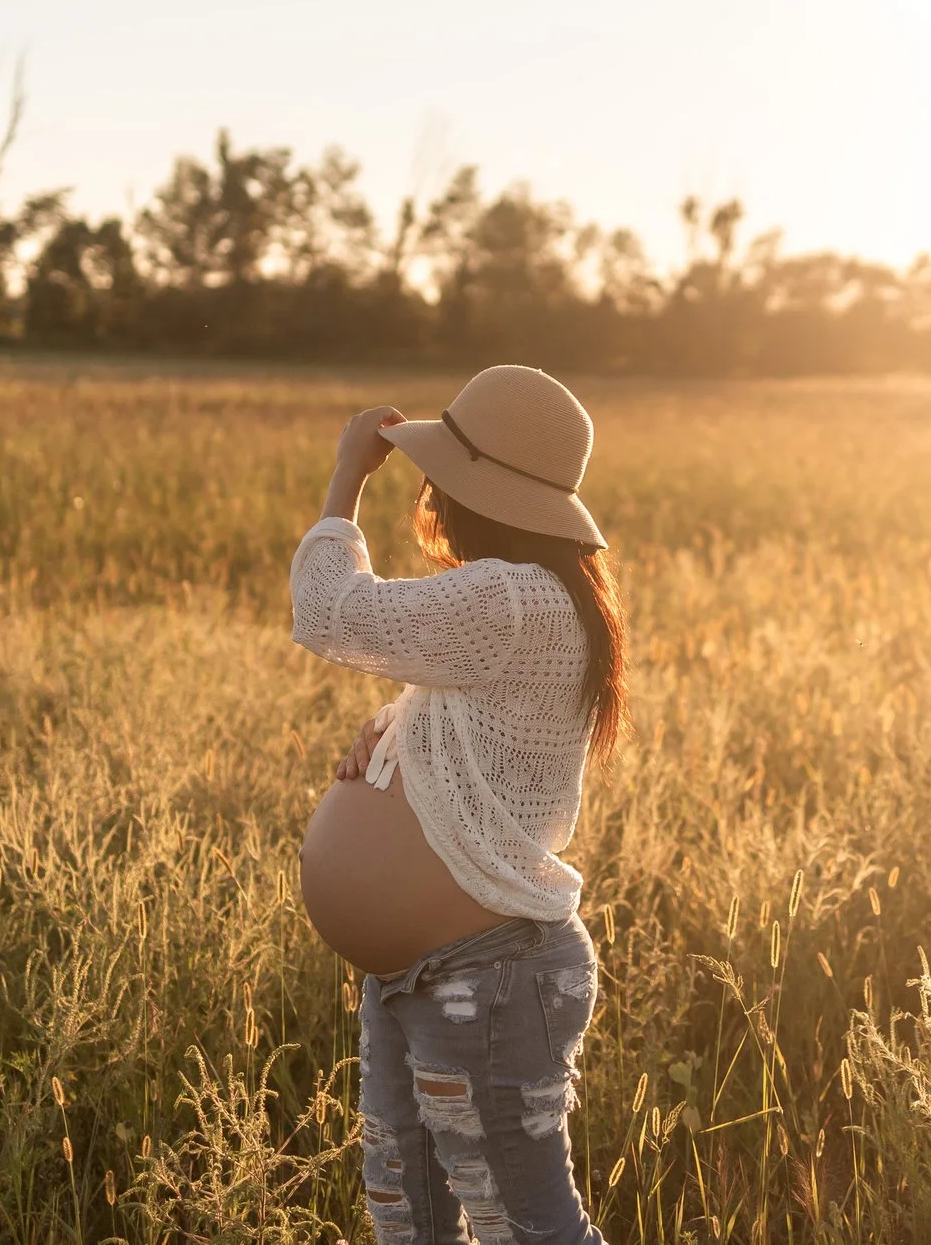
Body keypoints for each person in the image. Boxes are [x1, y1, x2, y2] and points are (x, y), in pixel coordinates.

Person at [294, 364, 625, 1245]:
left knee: (525, 1222)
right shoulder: (539, 599)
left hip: (488, 973)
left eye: (438, 474)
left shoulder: (510, 597)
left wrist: (346, 479)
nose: (430, 489)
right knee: (415, 1217)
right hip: (431, 973)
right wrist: (388, 733)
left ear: (473, 491)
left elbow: (327, 610)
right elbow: (474, 725)